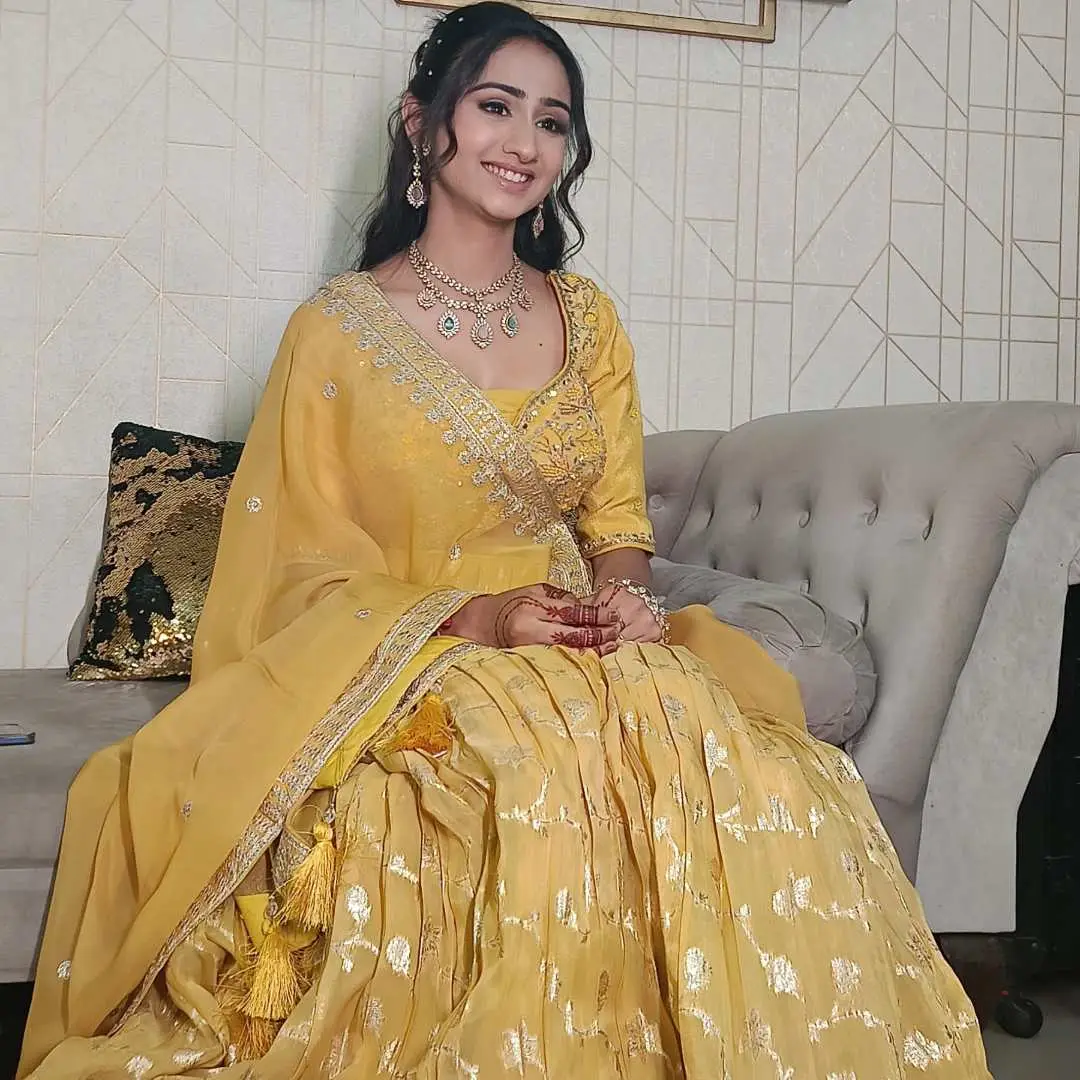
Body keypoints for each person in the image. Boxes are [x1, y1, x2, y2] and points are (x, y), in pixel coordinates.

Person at [18, 4, 990, 1076]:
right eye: (495, 107)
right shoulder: (336, 331)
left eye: (553, 121)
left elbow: (617, 525)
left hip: (579, 631)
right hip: (410, 650)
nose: (525, 143)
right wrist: (480, 620)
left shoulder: (590, 319)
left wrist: (626, 596)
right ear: (421, 125)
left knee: (716, 743)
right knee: (506, 768)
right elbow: (297, 570)